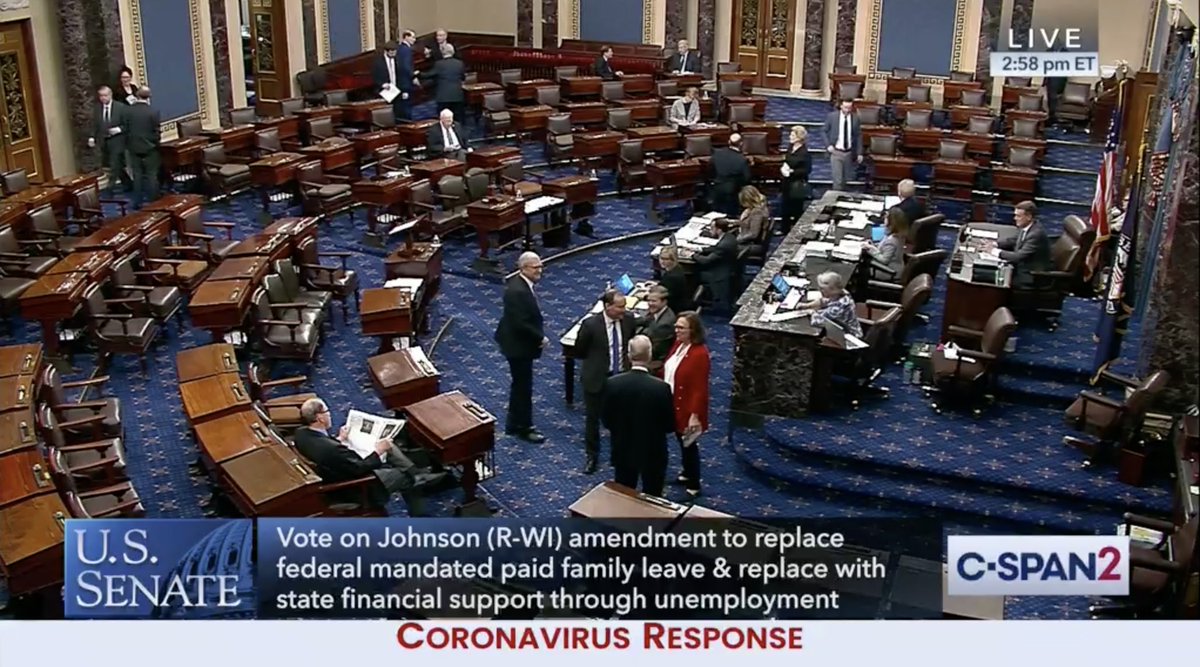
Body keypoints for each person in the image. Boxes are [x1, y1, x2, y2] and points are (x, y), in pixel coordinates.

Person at [292, 398, 434, 516]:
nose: (330, 414)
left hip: (337, 472)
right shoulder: (333, 449)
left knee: (388, 445)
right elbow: (360, 468)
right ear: (320, 418)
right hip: (358, 487)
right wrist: (378, 452)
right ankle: (419, 503)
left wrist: (340, 438)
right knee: (407, 478)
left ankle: (417, 472)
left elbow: (324, 448)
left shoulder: (300, 433)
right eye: (327, 411)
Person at [602, 336, 675, 497]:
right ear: (649, 355)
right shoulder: (661, 388)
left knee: (624, 496)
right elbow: (670, 425)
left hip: (623, 448)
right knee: (653, 497)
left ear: (629, 355)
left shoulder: (612, 383)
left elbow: (606, 420)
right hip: (653, 452)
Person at [575, 289, 636, 474]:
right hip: (597, 378)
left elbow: (629, 342)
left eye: (624, 306)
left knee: (621, 419)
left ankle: (620, 455)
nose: (623, 310)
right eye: (619, 307)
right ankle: (592, 456)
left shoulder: (629, 320)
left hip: (621, 378)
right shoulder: (590, 325)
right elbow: (579, 350)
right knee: (593, 420)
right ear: (608, 306)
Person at [495, 252, 548, 443]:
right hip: (517, 345)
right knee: (523, 387)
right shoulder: (517, 291)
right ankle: (524, 427)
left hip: (516, 341)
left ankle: (513, 423)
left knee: (520, 385)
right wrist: (540, 338)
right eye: (536, 267)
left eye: (540, 266)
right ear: (524, 268)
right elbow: (520, 323)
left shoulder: (522, 285)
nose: (540, 270)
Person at [663, 312, 710, 497]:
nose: (677, 330)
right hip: (672, 402)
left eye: (681, 328)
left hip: (687, 408)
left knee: (689, 445)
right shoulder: (678, 345)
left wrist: (695, 415)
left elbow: (700, 388)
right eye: (676, 327)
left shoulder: (700, 354)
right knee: (681, 442)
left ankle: (694, 483)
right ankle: (686, 473)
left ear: (693, 331)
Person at [988, 200, 1050, 288]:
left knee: (990, 280)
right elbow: (1013, 240)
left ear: (1029, 216)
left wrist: (994, 251)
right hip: (1020, 268)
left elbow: (1018, 257)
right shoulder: (1027, 226)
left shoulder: (1036, 234)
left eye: (1018, 216)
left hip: (1030, 276)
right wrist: (994, 244)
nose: (1015, 218)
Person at [124, 86, 161, 209]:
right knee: (151, 175)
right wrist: (155, 144)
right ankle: (154, 203)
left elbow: (126, 129)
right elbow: (156, 132)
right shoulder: (153, 112)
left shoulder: (128, 111)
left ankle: (137, 203)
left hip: (133, 148)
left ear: (137, 95)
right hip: (150, 148)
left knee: (137, 176)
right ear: (149, 97)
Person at [90, 86, 131, 194]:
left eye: (105, 95)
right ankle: (128, 183)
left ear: (110, 95)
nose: (103, 98)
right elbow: (94, 125)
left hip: (118, 141)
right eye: (101, 96)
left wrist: (119, 129)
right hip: (104, 141)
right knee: (117, 165)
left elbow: (128, 124)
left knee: (114, 165)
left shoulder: (121, 107)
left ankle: (110, 189)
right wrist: (92, 137)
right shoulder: (97, 108)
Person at [693, 217, 739, 313]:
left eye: (712, 228)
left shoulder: (724, 245)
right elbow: (715, 248)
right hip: (727, 267)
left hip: (719, 273)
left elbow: (706, 261)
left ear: (719, 230)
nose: (710, 230)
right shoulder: (729, 237)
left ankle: (695, 299)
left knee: (694, 271)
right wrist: (701, 250)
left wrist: (693, 255)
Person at [802, 271, 863, 338]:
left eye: (822, 288)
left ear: (832, 289)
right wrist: (807, 305)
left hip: (848, 337)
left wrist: (811, 312)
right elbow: (825, 301)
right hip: (852, 330)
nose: (820, 290)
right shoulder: (843, 293)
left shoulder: (838, 307)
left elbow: (817, 322)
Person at [371, 36, 414, 122]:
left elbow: (402, 75)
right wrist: (382, 84)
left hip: (397, 91)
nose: (393, 55)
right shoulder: (378, 63)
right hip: (384, 93)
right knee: (387, 115)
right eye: (391, 53)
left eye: (395, 52)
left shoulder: (398, 60)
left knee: (399, 114)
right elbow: (375, 77)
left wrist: (404, 90)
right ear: (386, 51)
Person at [822, 99, 862, 191]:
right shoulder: (832, 117)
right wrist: (828, 145)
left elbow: (858, 136)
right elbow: (823, 131)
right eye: (845, 107)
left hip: (848, 153)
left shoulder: (855, 118)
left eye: (849, 108)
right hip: (836, 152)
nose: (847, 110)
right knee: (838, 180)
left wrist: (859, 153)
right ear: (841, 106)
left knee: (845, 179)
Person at [421, 43, 466, 122]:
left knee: (443, 119)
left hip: (443, 97)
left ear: (442, 52)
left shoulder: (439, 64)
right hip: (457, 95)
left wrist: (418, 74)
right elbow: (463, 77)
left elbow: (429, 75)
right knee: (458, 119)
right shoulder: (459, 63)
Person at [710, 133, 751, 216]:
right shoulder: (742, 159)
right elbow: (747, 178)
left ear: (729, 142)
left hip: (716, 189)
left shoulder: (717, 153)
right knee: (731, 216)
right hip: (732, 193)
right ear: (741, 143)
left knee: (716, 215)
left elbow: (710, 170)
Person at [781, 125, 812, 234]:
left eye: (792, 135)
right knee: (785, 205)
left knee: (796, 208)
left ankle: (796, 231)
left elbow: (807, 170)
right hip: (787, 182)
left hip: (797, 183)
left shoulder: (805, 153)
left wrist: (792, 172)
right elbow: (787, 159)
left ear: (799, 137)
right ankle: (784, 229)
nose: (790, 136)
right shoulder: (790, 147)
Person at [635, 285, 676, 365]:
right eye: (649, 300)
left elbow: (652, 350)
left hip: (653, 360)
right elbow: (645, 320)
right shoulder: (658, 311)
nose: (650, 304)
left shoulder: (664, 324)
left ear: (664, 302)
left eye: (653, 301)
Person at [869, 207, 909, 278]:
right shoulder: (899, 234)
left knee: (863, 268)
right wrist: (873, 245)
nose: (884, 219)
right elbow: (885, 248)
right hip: (895, 266)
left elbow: (884, 260)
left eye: (886, 218)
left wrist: (870, 250)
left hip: (889, 271)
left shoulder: (891, 240)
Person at [657, 246, 694, 315]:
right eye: (661, 258)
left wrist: (645, 296)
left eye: (666, 259)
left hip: (673, 309)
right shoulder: (677, 268)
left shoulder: (672, 277)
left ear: (673, 260)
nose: (662, 261)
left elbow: (661, 297)